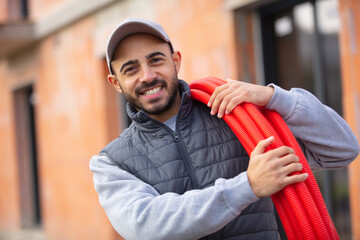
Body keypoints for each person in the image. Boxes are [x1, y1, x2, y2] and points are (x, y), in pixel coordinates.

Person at [90, 18, 359, 240]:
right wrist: (248, 186)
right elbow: (146, 226)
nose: (147, 76)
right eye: (131, 69)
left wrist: (272, 97)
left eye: (156, 60)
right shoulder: (111, 163)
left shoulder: (237, 119)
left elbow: (342, 148)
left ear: (176, 61)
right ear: (115, 82)